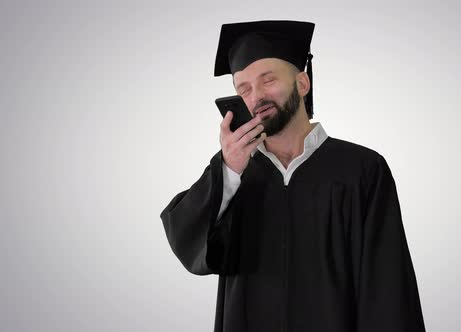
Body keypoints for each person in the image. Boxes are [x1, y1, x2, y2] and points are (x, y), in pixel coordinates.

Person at [160, 20, 426, 332]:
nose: (256, 96)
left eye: (268, 80)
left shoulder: (361, 170)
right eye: (243, 88)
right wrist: (229, 169)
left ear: (302, 83)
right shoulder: (234, 174)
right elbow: (187, 241)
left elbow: (388, 288)